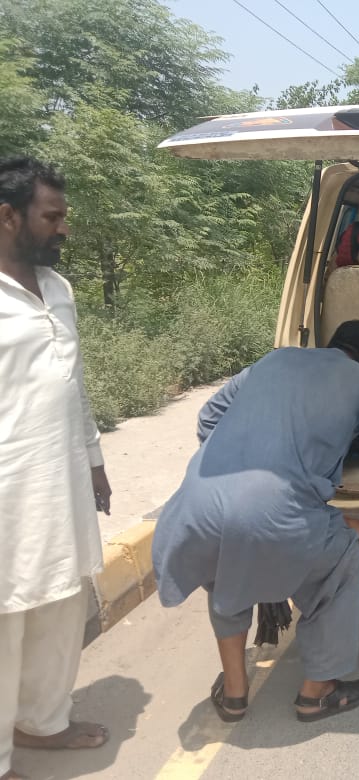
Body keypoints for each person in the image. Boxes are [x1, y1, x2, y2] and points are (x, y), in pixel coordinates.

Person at [152, 320, 359, 724]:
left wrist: (243, 464)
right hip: (273, 520)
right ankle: (318, 693)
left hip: (196, 509)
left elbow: (209, 418)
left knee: (228, 572)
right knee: (346, 562)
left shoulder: (271, 361)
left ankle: (235, 694)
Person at [0, 156, 112, 780]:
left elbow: (74, 387)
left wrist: (94, 461)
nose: (63, 228)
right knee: (7, 617)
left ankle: (42, 723)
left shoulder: (60, 290)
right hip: (8, 493)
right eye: (53, 216)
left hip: (62, 480)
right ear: (8, 216)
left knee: (62, 605)